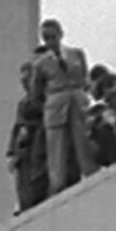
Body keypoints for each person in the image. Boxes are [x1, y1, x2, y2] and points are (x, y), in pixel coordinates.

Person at [21, 22, 94, 200]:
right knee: (56, 148)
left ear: (61, 34)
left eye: (53, 37)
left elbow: (85, 78)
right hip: (55, 105)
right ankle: (57, 185)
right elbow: (35, 93)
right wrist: (48, 104)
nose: (50, 41)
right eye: (46, 38)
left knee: (83, 139)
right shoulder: (40, 64)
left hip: (77, 100)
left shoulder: (77, 54)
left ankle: (90, 173)